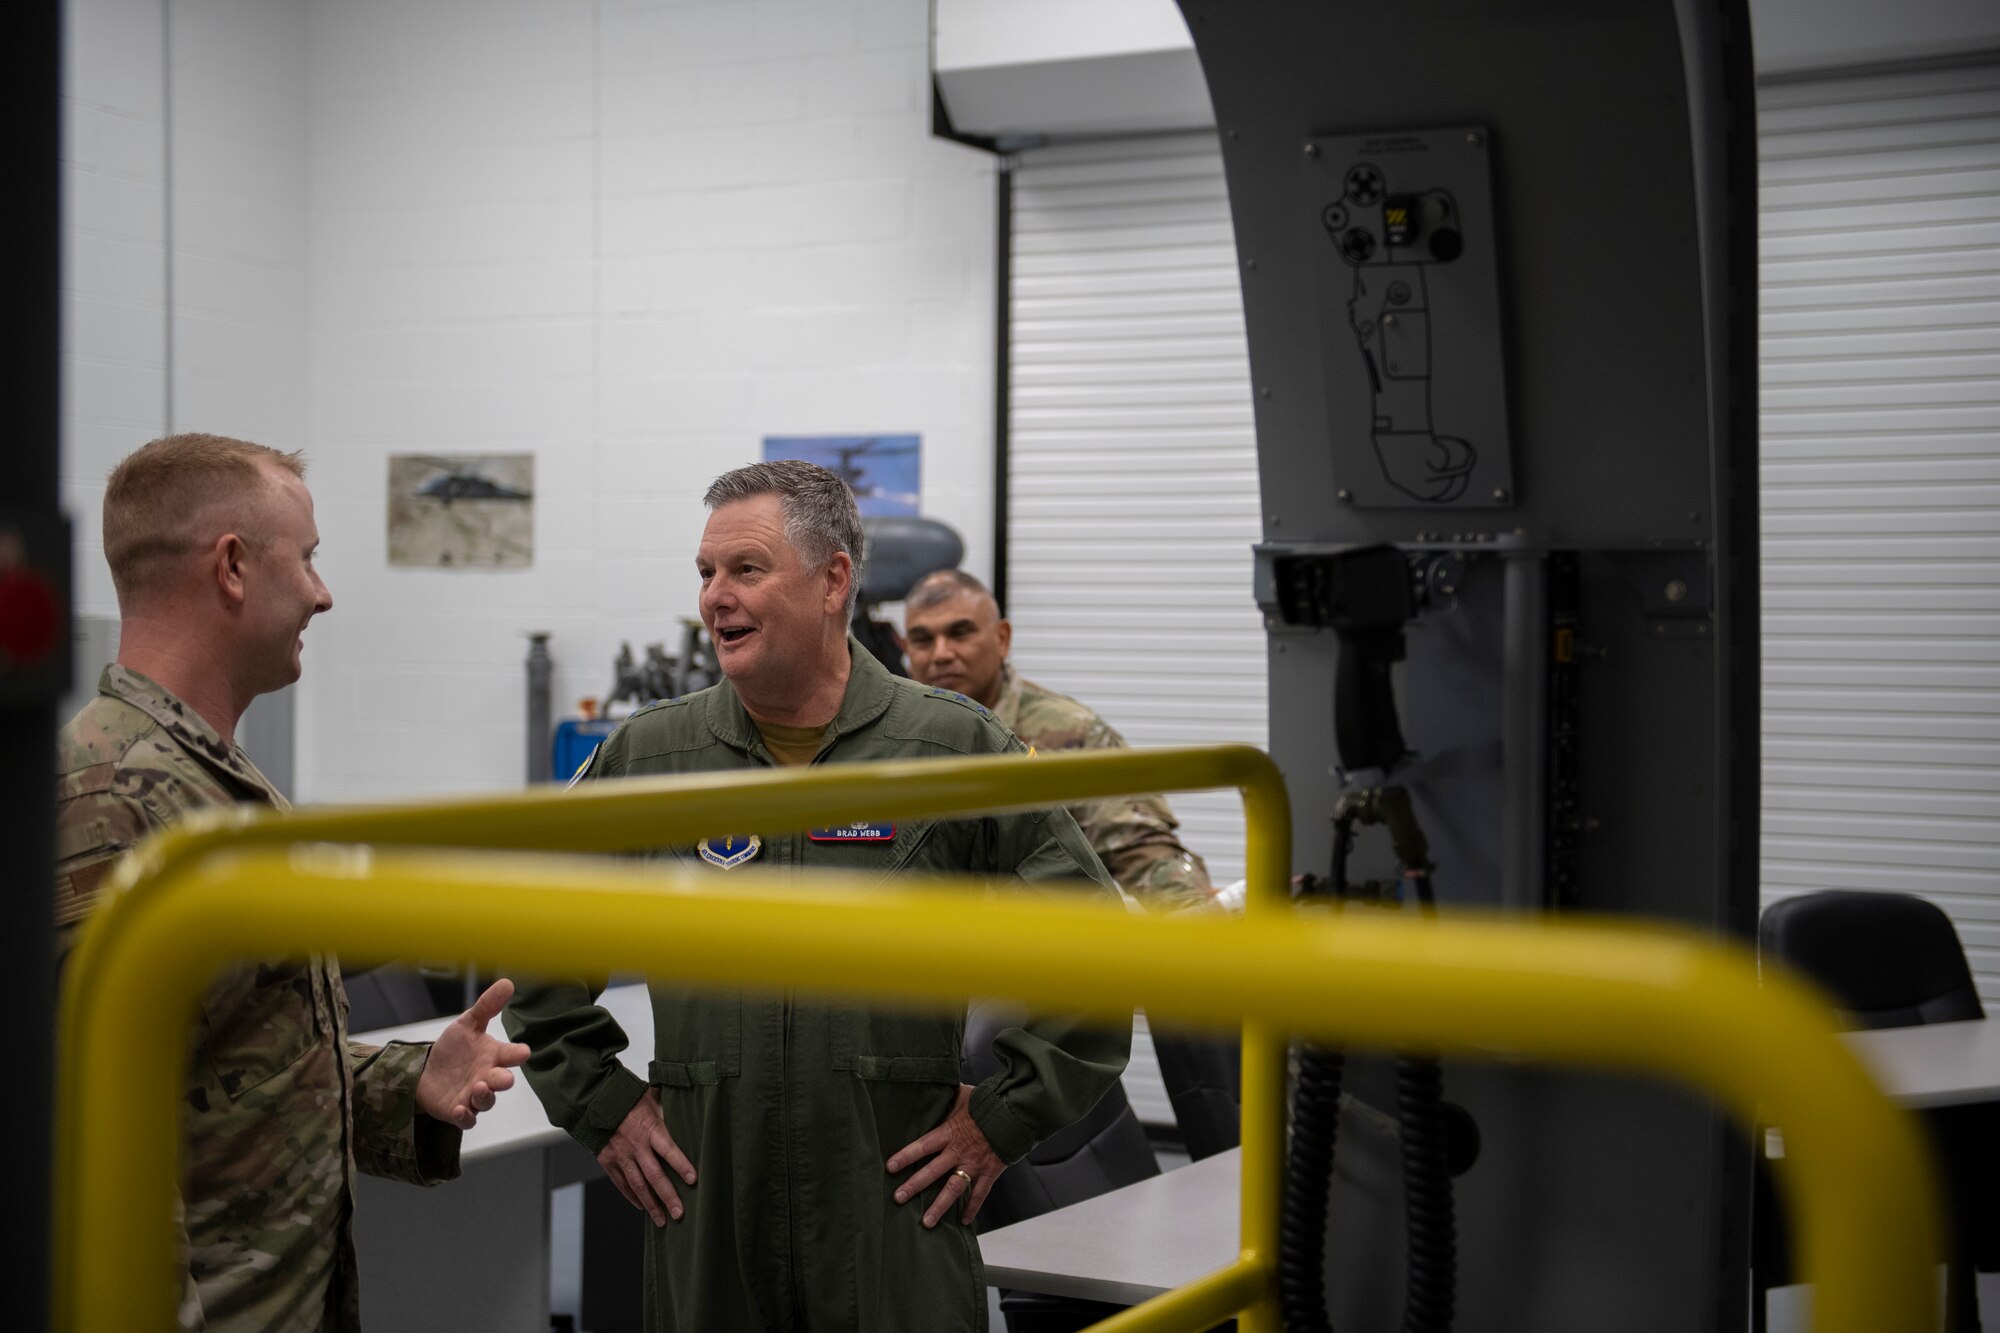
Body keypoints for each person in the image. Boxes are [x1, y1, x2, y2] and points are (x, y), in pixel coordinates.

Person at [504, 460, 1129, 1332]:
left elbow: (1101, 952)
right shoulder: (652, 759)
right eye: (706, 573)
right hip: (706, 1208)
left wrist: (1000, 1119)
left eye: (746, 569)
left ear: (834, 579)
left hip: (894, 1214)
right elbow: (533, 959)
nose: (716, 597)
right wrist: (605, 1108)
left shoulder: (950, 749)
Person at [52, 433, 530, 1333]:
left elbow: (235, 1069)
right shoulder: (111, 797)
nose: (323, 591)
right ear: (232, 566)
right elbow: (94, 1149)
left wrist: (407, 1082)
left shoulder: (217, 782)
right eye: (306, 558)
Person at [902, 568, 1217, 914]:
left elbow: (1139, 846)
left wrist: (1191, 911)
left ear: (1002, 638)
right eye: (923, 640)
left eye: (960, 633)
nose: (941, 654)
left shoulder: (1070, 732)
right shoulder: (889, 731)